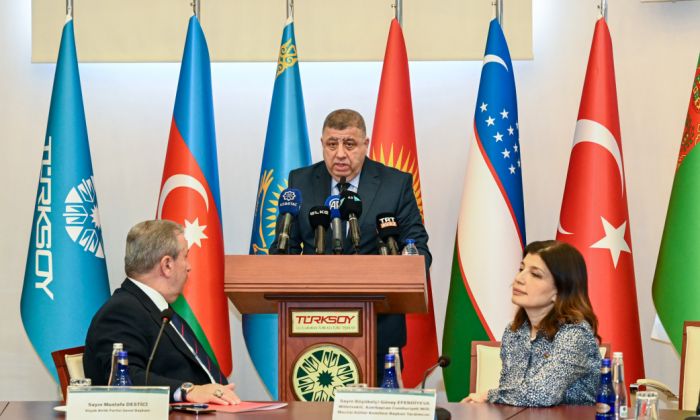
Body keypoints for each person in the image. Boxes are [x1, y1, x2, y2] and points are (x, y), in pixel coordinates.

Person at [272, 109, 431, 384]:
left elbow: (419, 248)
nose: (340, 154)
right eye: (332, 144)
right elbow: (284, 249)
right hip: (312, 325)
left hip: (379, 326)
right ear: (322, 144)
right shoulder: (301, 182)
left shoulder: (395, 184)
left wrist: (403, 263)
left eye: (349, 144)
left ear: (365, 144)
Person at [83, 220, 240, 404]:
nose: (189, 266)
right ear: (167, 265)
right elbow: (124, 378)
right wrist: (188, 391)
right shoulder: (120, 311)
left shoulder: (161, 309)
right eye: (185, 256)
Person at [463, 240, 600, 406]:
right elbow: (511, 393)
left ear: (559, 291)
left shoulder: (575, 333)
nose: (519, 279)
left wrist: (488, 395)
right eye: (521, 269)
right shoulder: (514, 331)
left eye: (535, 274)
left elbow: (543, 393)